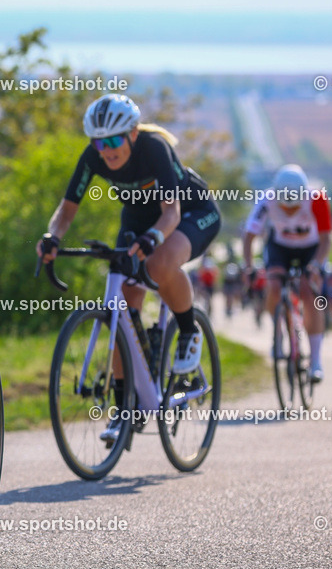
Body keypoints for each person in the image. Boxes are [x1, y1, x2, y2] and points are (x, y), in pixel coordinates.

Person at [38, 93, 221, 442]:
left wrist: (152, 239)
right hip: (137, 220)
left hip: (192, 213)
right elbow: (67, 208)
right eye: (98, 141)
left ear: (132, 134)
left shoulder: (154, 148)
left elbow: (172, 213)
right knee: (123, 301)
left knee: (158, 265)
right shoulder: (94, 155)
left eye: (113, 140)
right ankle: (124, 410)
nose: (106, 149)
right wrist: (53, 237)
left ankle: (188, 331)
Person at [241, 164, 331, 382]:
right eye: (285, 207)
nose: (289, 211)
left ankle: (316, 360)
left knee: (310, 295)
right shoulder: (267, 199)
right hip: (280, 247)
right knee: (273, 285)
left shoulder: (317, 198)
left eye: (294, 207)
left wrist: (316, 265)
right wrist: (249, 266)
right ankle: (278, 332)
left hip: (311, 248)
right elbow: (249, 235)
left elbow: (326, 239)